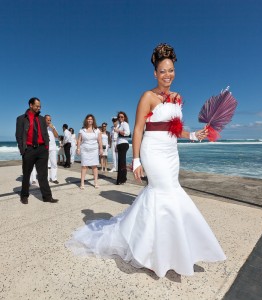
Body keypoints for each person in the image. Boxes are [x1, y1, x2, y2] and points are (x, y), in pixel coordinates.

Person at [66, 44, 225, 277]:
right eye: (162, 71)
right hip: (152, 150)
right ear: (155, 73)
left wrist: (192, 135)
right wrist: (137, 160)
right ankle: (150, 253)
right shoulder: (147, 97)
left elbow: (174, 127)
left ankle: (169, 250)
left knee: (170, 193)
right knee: (161, 193)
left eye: (171, 70)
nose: (167, 75)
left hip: (171, 152)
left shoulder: (178, 98)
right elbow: (139, 130)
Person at [15, 97, 58, 204]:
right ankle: (24, 195)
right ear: (30, 105)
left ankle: (47, 197)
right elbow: (19, 135)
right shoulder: (21, 118)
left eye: (40, 106)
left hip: (42, 149)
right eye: (37, 106)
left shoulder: (42, 119)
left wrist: (46, 147)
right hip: (28, 149)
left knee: (43, 174)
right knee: (26, 174)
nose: (39, 108)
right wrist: (22, 150)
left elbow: (45, 134)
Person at [76, 114, 103, 189]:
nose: (89, 120)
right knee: (84, 166)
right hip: (84, 150)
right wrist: (78, 149)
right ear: (86, 120)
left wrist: (101, 149)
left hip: (94, 150)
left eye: (91, 119)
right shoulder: (82, 130)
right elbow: (79, 140)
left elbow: (100, 140)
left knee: (94, 166)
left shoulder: (97, 130)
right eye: (88, 119)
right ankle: (82, 183)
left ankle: (96, 182)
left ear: (93, 120)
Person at [115, 111, 130, 185]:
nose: (120, 118)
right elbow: (117, 137)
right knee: (120, 162)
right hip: (120, 144)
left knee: (122, 162)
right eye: (119, 117)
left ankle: (122, 179)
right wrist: (116, 145)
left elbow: (127, 133)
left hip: (124, 144)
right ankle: (120, 179)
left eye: (122, 117)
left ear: (124, 118)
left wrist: (118, 131)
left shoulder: (125, 124)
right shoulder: (119, 125)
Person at [45, 115, 59, 184]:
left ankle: (54, 178)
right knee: (45, 164)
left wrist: (53, 128)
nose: (49, 121)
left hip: (53, 147)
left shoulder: (53, 127)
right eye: (48, 120)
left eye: (50, 120)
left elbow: (57, 136)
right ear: (44, 120)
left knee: (54, 163)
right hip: (45, 147)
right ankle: (46, 178)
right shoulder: (42, 127)